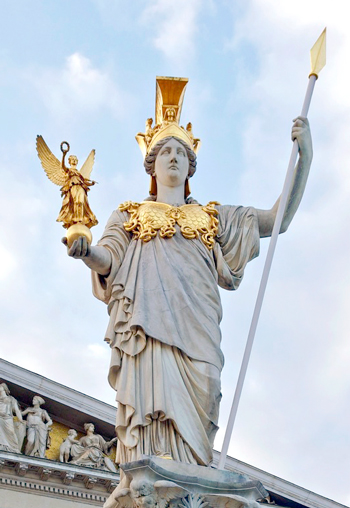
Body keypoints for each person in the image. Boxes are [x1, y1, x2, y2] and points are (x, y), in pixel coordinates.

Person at [63, 80, 312, 468]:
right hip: (149, 335)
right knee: (153, 436)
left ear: (191, 164)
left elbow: (276, 220)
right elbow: (108, 260)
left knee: (202, 417)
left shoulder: (214, 218)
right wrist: (86, 252)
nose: (174, 158)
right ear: (152, 164)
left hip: (200, 337)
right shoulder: (130, 215)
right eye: (165, 152)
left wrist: (304, 160)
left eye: (181, 152)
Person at [0, 383, 24, 453]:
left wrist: (21, 420)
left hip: (7, 418)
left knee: (11, 432)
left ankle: (15, 448)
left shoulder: (11, 399)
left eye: (0, 387)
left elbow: (17, 410)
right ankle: (2, 446)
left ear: (4, 388)